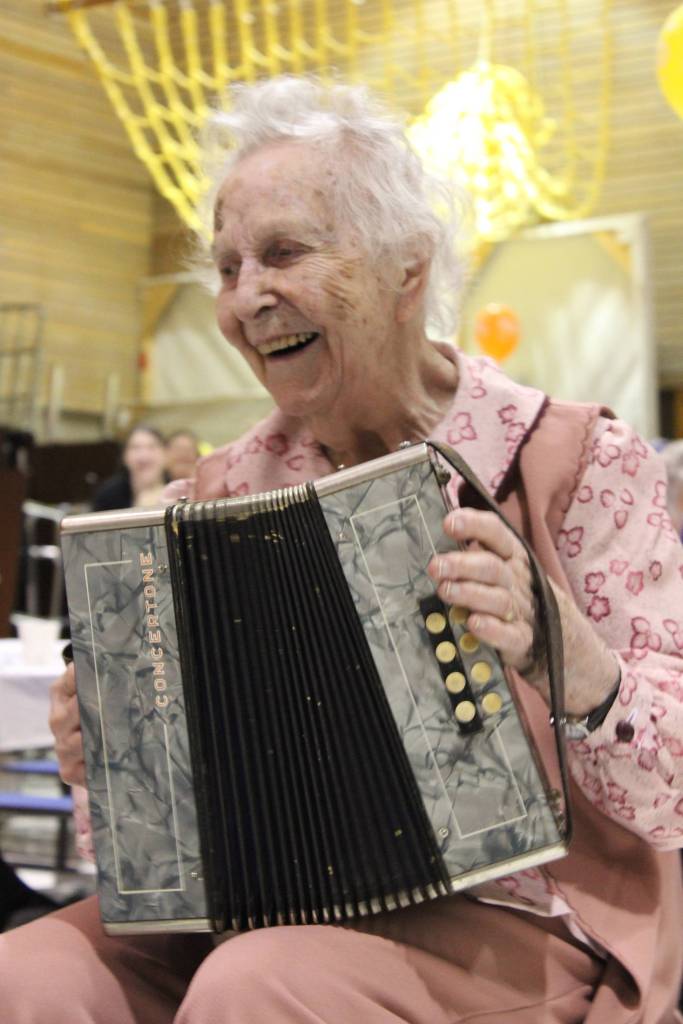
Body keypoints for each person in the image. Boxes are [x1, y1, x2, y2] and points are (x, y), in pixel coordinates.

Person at [2, 76, 682, 1024]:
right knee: (23, 973)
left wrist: (569, 661)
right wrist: (112, 767)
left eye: (283, 254)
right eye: (228, 266)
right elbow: (162, 850)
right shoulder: (225, 490)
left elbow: (673, 792)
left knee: (257, 985)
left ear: (407, 269)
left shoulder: (574, 460)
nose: (247, 299)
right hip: (261, 910)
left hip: (527, 921)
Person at [91, 424, 167, 511]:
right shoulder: (107, 496)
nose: (144, 455)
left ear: (165, 454)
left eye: (151, 447)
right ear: (124, 456)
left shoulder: (180, 491)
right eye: (136, 448)